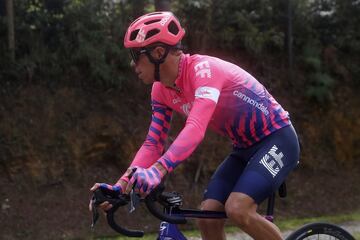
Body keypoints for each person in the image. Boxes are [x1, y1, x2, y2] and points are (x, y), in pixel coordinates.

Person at [90, 11, 300, 240]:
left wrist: (158, 171)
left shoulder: (204, 71)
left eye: (135, 55)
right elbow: (153, 142)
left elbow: (196, 126)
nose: (132, 64)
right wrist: (121, 186)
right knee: (207, 216)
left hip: (277, 139)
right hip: (244, 148)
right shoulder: (160, 90)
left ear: (158, 53)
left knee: (238, 209)